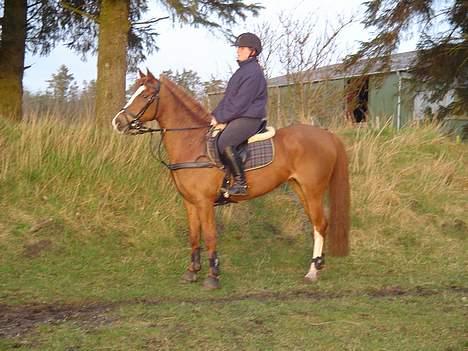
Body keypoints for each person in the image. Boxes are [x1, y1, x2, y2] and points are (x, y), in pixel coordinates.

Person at [211, 32, 268, 196]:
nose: (238, 51)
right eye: (238, 48)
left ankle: (241, 183)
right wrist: (213, 116)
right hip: (240, 114)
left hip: (250, 117)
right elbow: (228, 100)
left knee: (224, 142)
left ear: (253, 51)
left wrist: (221, 118)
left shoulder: (253, 72)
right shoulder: (241, 72)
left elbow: (240, 103)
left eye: (242, 48)